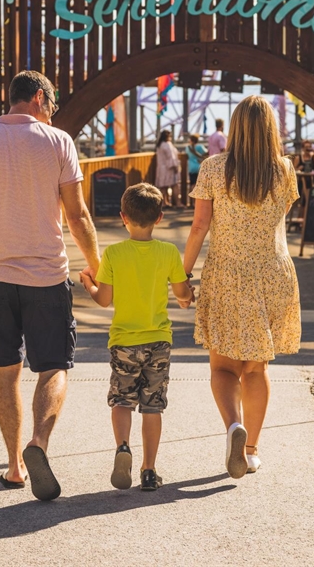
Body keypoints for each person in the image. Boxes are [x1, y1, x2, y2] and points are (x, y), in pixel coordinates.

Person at [0, 70, 101, 502]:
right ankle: (39, 445)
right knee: (53, 367)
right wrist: (97, 266)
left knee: (6, 370)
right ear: (37, 97)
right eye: (51, 104)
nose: (52, 114)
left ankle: (14, 468)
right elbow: (78, 216)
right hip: (47, 276)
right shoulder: (59, 142)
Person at [183, 95, 302, 479]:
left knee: (222, 365)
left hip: (227, 273)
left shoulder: (214, 168)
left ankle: (235, 427)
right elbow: (281, 216)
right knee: (256, 367)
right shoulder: (284, 170)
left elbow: (200, 225)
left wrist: (182, 273)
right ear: (271, 129)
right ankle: (250, 450)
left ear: (234, 127)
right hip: (272, 272)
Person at [80, 184, 194, 491]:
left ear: (123, 217)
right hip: (158, 341)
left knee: (122, 399)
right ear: (159, 218)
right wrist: (188, 293)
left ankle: (123, 448)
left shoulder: (114, 254)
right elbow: (183, 293)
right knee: (153, 405)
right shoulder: (169, 252)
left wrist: (87, 282)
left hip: (124, 342)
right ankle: (148, 469)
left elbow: (103, 300)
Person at [155, 130, 181, 207]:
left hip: (161, 168)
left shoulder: (159, 145)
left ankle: (164, 202)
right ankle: (177, 203)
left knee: (163, 186)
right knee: (175, 185)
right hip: (169, 168)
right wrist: (176, 166)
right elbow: (172, 157)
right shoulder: (167, 144)